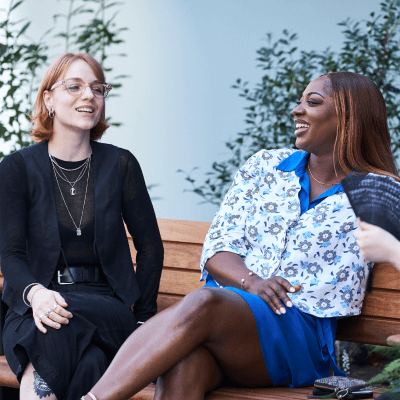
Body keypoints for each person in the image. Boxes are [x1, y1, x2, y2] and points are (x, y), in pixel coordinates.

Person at [79, 71, 399, 400]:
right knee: (185, 362)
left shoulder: (378, 192)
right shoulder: (265, 166)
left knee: (204, 300)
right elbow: (218, 248)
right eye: (300, 101)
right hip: (226, 322)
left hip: (299, 334)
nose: (297, 110)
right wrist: (254, 282)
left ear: (349, 116)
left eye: (313, 102)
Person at [0, 52, 164, 400]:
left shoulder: (120, 164)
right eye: (74, 86)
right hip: (34, 305)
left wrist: (143, 319)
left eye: (97, 89)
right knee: (88, 361)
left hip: (106, 307)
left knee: (55, 327)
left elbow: (150, 246)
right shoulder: (16, 168)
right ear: (49, 99)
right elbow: (10, 254)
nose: (88, 96)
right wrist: (37, 293)